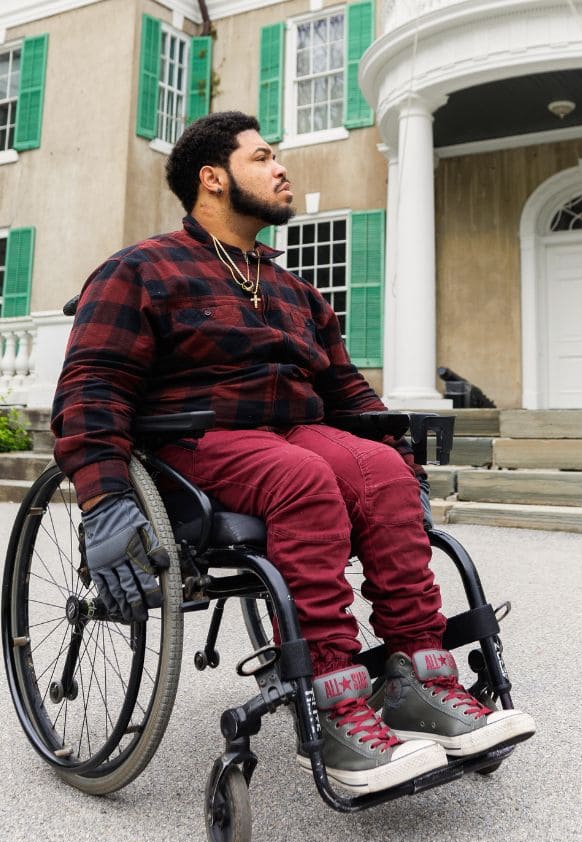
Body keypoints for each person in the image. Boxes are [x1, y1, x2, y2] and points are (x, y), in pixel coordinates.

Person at [51, 111, 534, 795]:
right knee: (302, 478)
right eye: (264, 157)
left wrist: (404, 461)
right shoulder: (140, 269)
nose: (283, 170)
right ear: (212, 179)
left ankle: (418, 678)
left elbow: (348, 394)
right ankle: (336, 705)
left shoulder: (294, 292)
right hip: (196, 439)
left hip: (292, 432)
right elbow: (92, 388)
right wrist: (104, 500)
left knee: (381, 471)